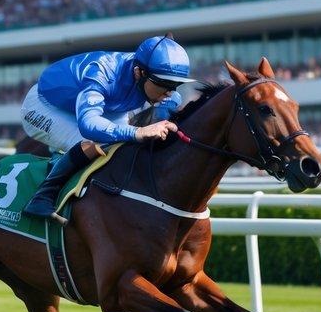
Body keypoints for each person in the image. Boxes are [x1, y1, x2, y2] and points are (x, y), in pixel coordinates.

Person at [19, 34, 193, 218]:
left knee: (122, 149)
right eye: (164, 84)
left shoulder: (158, 87)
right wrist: (139, 131)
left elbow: (172, 106)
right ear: (138, 72)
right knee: (89, 142)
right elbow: (89, 124)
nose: (170, 92)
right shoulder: (101, 72)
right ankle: (42, 196)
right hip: (44, 105)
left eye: (176, 85)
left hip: (108, 107)